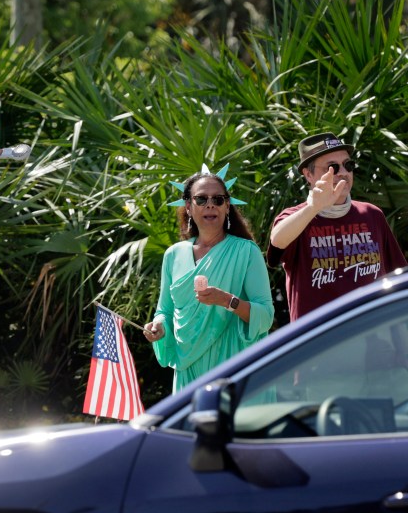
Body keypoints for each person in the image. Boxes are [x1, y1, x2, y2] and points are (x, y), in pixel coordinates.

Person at [143, 167, 274, 392]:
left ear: (227, 206)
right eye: (201, 199)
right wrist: (158, 327)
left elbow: (266, 316)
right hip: (188, 370)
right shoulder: (173, 255)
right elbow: (164, 310)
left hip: (235, 368)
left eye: (218, 199)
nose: (210, 204)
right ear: (188, 207)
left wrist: (227, 300)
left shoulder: (246, 251)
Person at [268, 132, 407, 322]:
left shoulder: (372, 215)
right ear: (308, 174)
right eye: (332, 167)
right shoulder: (296, 218)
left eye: (348, 165)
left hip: (375, 338)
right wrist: (315, 207)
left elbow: (398, 276)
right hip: (322, 342)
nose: (343, 172)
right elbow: (277, 242)